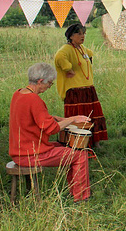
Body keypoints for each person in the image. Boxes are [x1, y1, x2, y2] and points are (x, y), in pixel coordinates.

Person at [9, 63, 92, 202]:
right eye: (49, 83)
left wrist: (62, 119)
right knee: (80, 154)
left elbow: (37, 117)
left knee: (66, 147)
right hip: (31, 154)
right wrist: (73, 119)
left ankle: (75, 191)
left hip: (20, 151)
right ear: (40, 81)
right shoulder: (34, 99)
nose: (49, 87)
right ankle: (81, 197)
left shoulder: (18, 94)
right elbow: (52, 128)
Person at [54, 23, 107, 147]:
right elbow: (59, 57)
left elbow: (89, 53)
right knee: (78, 117)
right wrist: (68, 68)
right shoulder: (66, 49)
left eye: (84, 33)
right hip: (75, 90)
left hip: (88, 88)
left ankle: (95, 141)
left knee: (93, 115)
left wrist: (90, 57)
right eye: (79, 33)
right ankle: (78, 144)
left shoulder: (81, 48)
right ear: (71, 36)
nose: (82, 36)